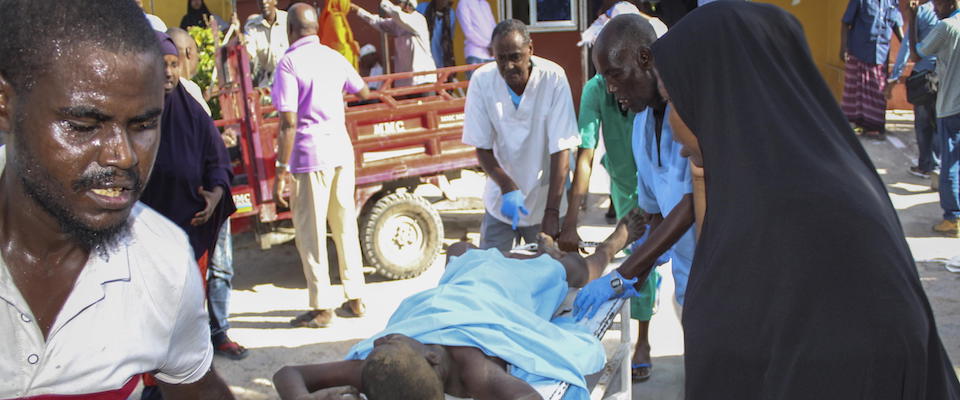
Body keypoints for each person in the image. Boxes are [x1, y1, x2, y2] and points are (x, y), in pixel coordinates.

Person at [654, 2, 960, 397]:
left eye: (675, 100)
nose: (674, 127)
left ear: (720, 93)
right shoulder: (772, 182)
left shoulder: (805, 210)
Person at [0, 1, 234, 398]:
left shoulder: (161, 261)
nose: (123, 156)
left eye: (144, 125)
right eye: (83, 125)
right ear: (5, 105)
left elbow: (199, 389)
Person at [272, 212, 650, 400]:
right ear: (432, 359)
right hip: (499, 289)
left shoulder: (385, 367)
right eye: (395, 340)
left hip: (467, 286)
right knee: (563, 270)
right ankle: (589, 247)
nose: (382, 339)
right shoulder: (464, 367)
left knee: (464, 252)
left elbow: (288, 375)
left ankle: (594, 245)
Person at [570, 13, 697, 383]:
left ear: (645, 58)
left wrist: (622, 274)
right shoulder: (642, 123)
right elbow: (653, 211)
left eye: (614, 74)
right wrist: (634, 265)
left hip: (724, 273)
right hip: (689, 277)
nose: (610, 88)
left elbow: (690, 204)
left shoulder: (690, 112)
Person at [140, 32, 244, 364]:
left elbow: (218, 162)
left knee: (187, 310)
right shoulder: (133, 111)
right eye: (161, 64)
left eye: (173, 64)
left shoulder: (193, 111)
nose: (169, 72)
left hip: (190, 229)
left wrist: (214, 195)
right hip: (146, 235)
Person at [273, 3, 373, 328]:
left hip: (308, 157)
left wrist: (279, 171)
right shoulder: (333, 56)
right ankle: (355, 298)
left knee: (311, 233)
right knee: (345, 228)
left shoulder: (289, 63)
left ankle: (322, 307)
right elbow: (363, 90)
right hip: (341, 152)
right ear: (316, 27)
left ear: (290, 31)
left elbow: (288, 122)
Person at [462, 20, 580, 251]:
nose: (508, 66)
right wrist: (507, 186)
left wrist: (552, 212)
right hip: (502, 201)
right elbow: (482, 147)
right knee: (490, 270)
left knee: (547, 274)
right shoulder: (482, 81)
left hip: (545, 200)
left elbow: (561, 149)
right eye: (501, 59)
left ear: (530, 50)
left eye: (515, 57)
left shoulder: (553, 79)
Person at [911, 0, 960, 237]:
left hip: (951, 105)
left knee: (950, 162)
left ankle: (953, 218)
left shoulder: (946, 27)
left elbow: (918, 52)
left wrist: (911, 18)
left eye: (938, 4)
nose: (935, 9)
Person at [889, 0, 941, 182]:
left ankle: (926, 166)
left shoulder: (921, 12)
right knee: (941, 121)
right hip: (945, 76)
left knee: (923, 123)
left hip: (924, 78)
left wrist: (894, 76)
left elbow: (907, 48)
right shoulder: (953, 14)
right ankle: (938, 164)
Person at [840, 0, 904, 139]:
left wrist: (907, 48)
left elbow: (897, 26)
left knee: (878, 90)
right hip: (858, 51)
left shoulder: (892, 2)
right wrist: (843, 47)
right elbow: (846, 22)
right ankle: (857, 125)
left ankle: (875, 127)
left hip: (880, 55)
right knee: (855, 91)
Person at [352, 0, 438, 87]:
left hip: (423, 78)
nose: (397, 5)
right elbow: (378, 22)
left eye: (399, 3)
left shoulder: (418, 19)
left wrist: (384, 2)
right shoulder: (397, 23)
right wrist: (358, 10)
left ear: (408, 5)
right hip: (406, 80)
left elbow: (397, 14)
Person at [244, 0, 290, 88]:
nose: (263, 2)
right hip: (268, 83)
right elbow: (248, 53)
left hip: (290, 77)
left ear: (275, 1)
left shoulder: (288, 20)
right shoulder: (252, 26)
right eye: (260, 0)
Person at [167, 27, 211, 115]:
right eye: (197, 51)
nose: (199, 57)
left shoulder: (161, 88)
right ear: (189, 52)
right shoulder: (189, 89)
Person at [457, 0, 496, 77]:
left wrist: (494, 45)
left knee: (494, 87)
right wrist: (488, 45)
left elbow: (494, 26)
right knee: (478, 87)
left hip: (491, 56)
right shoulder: (464, 3)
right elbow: (468, 31)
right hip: (476, 55)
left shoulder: (485, 4)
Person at [320, 0, 362, 69]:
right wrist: (352, 48)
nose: (348, 5)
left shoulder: (335, 16)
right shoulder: (335, 19)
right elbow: (340, 48)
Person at [417, 0, 457, 69]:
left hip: (441, 62)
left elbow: (449, 41)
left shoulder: (450, 14)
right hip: (422, 60)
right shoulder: (422, 8)